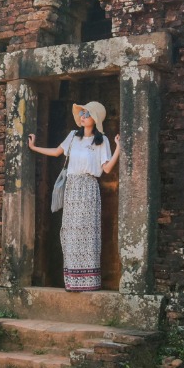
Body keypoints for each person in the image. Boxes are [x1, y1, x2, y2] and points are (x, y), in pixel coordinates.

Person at [28, 101, 122, 292]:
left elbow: (106, 168)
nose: (83, 116)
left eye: (87, 114)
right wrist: (33, 147)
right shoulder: (72, 136)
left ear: (94, 119)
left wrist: (118, 147)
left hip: (89, 188)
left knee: (87, 233)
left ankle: (89, 282)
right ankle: (72, 280)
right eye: (82, 113)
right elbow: (56, 152)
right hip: (72, 188)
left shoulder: (101, 140)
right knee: (70, 232)